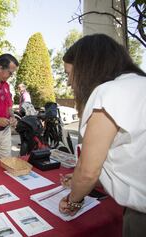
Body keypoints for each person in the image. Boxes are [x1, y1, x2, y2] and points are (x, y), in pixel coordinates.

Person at [58, 34, 146, 237]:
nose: (70, 82)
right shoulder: (139, 84)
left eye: (69, 73)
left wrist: (74, 200)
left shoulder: (108, 93)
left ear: (87, 68)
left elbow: (88, 171)